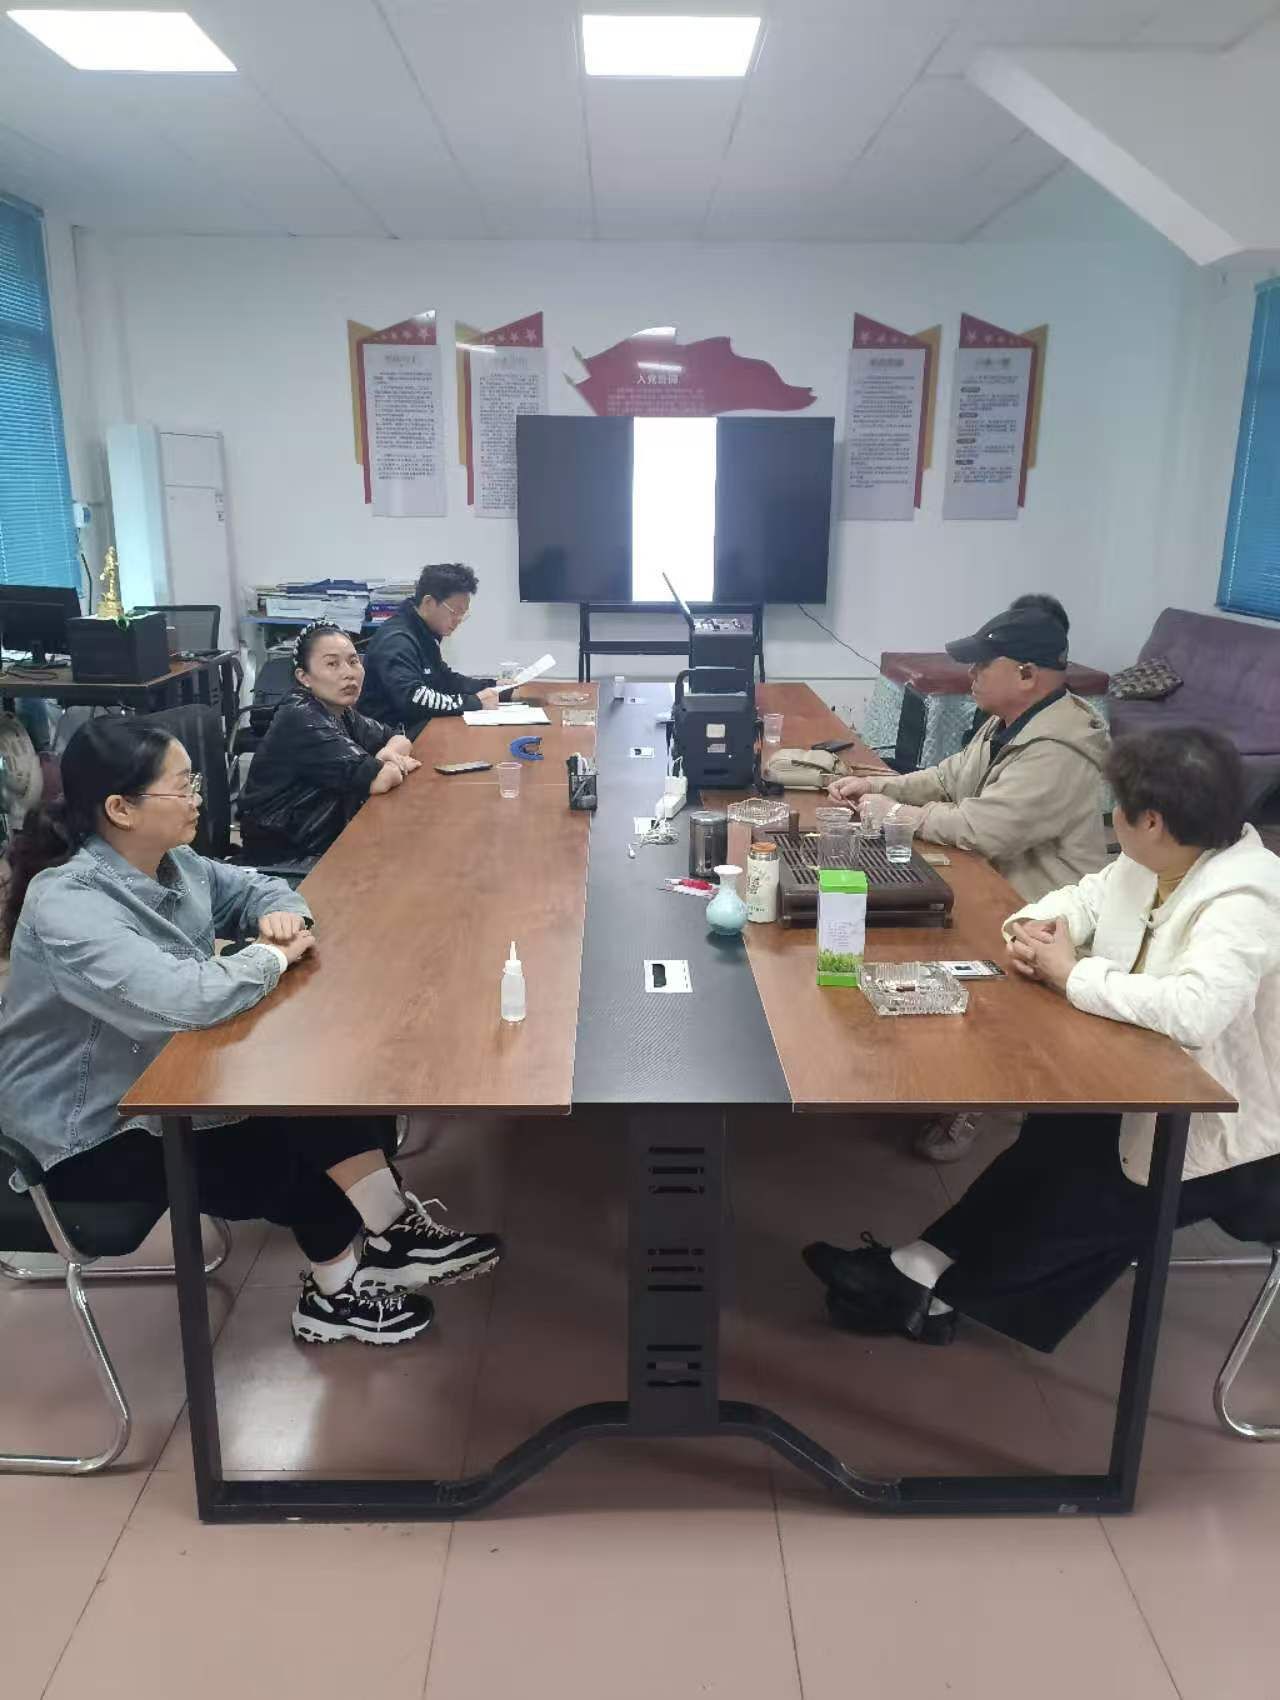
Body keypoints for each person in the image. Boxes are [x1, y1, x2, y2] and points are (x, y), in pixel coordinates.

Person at [0, 719, 501, 1347]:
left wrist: (281, 916)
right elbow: (185, 999)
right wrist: (271, 956)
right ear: (120, 809)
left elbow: (262, 888)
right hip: (87, 1136)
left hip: (164, 1078)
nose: (198, 799)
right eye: (182, 787)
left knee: (323, 1089)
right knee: (285, 1155)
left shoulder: (175, 863)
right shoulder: (67, 904)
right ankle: (335, 1293)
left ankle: (390, 1232)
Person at [803, 728, 1280, 1353]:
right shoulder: (1162, 857)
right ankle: (916, 1266)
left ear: (1152, 821)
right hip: (1146, 1076)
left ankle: (935, 1295)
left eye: (1118, 807)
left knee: (1087, 1189)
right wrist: (1032, 928)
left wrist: (1071, 973)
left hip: (1235, 1136)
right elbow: (1083, 899)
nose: (1112, 817)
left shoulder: (1246, 897)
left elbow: (1196, 1013)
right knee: (1053, 1137)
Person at [831, 598, 1109, 1164]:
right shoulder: (1010, 721)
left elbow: (985, 830)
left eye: (984, 664)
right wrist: (881, 786)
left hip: (1037, 908)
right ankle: (931, 1062)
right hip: (993, 878)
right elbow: (949, 777)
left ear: (1026, 674)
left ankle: (980, 1089)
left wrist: (896, 814)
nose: (971, 674)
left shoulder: (1060, 749)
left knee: (920, 925)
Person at [239, 622, 420, 863]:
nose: (348, 673)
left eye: (353, 661)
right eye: (332, 664)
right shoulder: (302, 717)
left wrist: (386, 755)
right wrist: (387, 764)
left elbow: (399, 737)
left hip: (324, 840)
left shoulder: (339, 711)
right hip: (288, 858)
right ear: (304, 677)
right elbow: (381, 780)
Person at [359, 562, 513, 735]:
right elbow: (413, 698)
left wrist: (494, 687)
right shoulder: (397, 639)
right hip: (391, 737)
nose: (458, 620)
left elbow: (444, 680)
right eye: (455, 612)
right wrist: (474, 702)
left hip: (417, 728)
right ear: (428, 602)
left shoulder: (424, 632)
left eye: (463, 614)